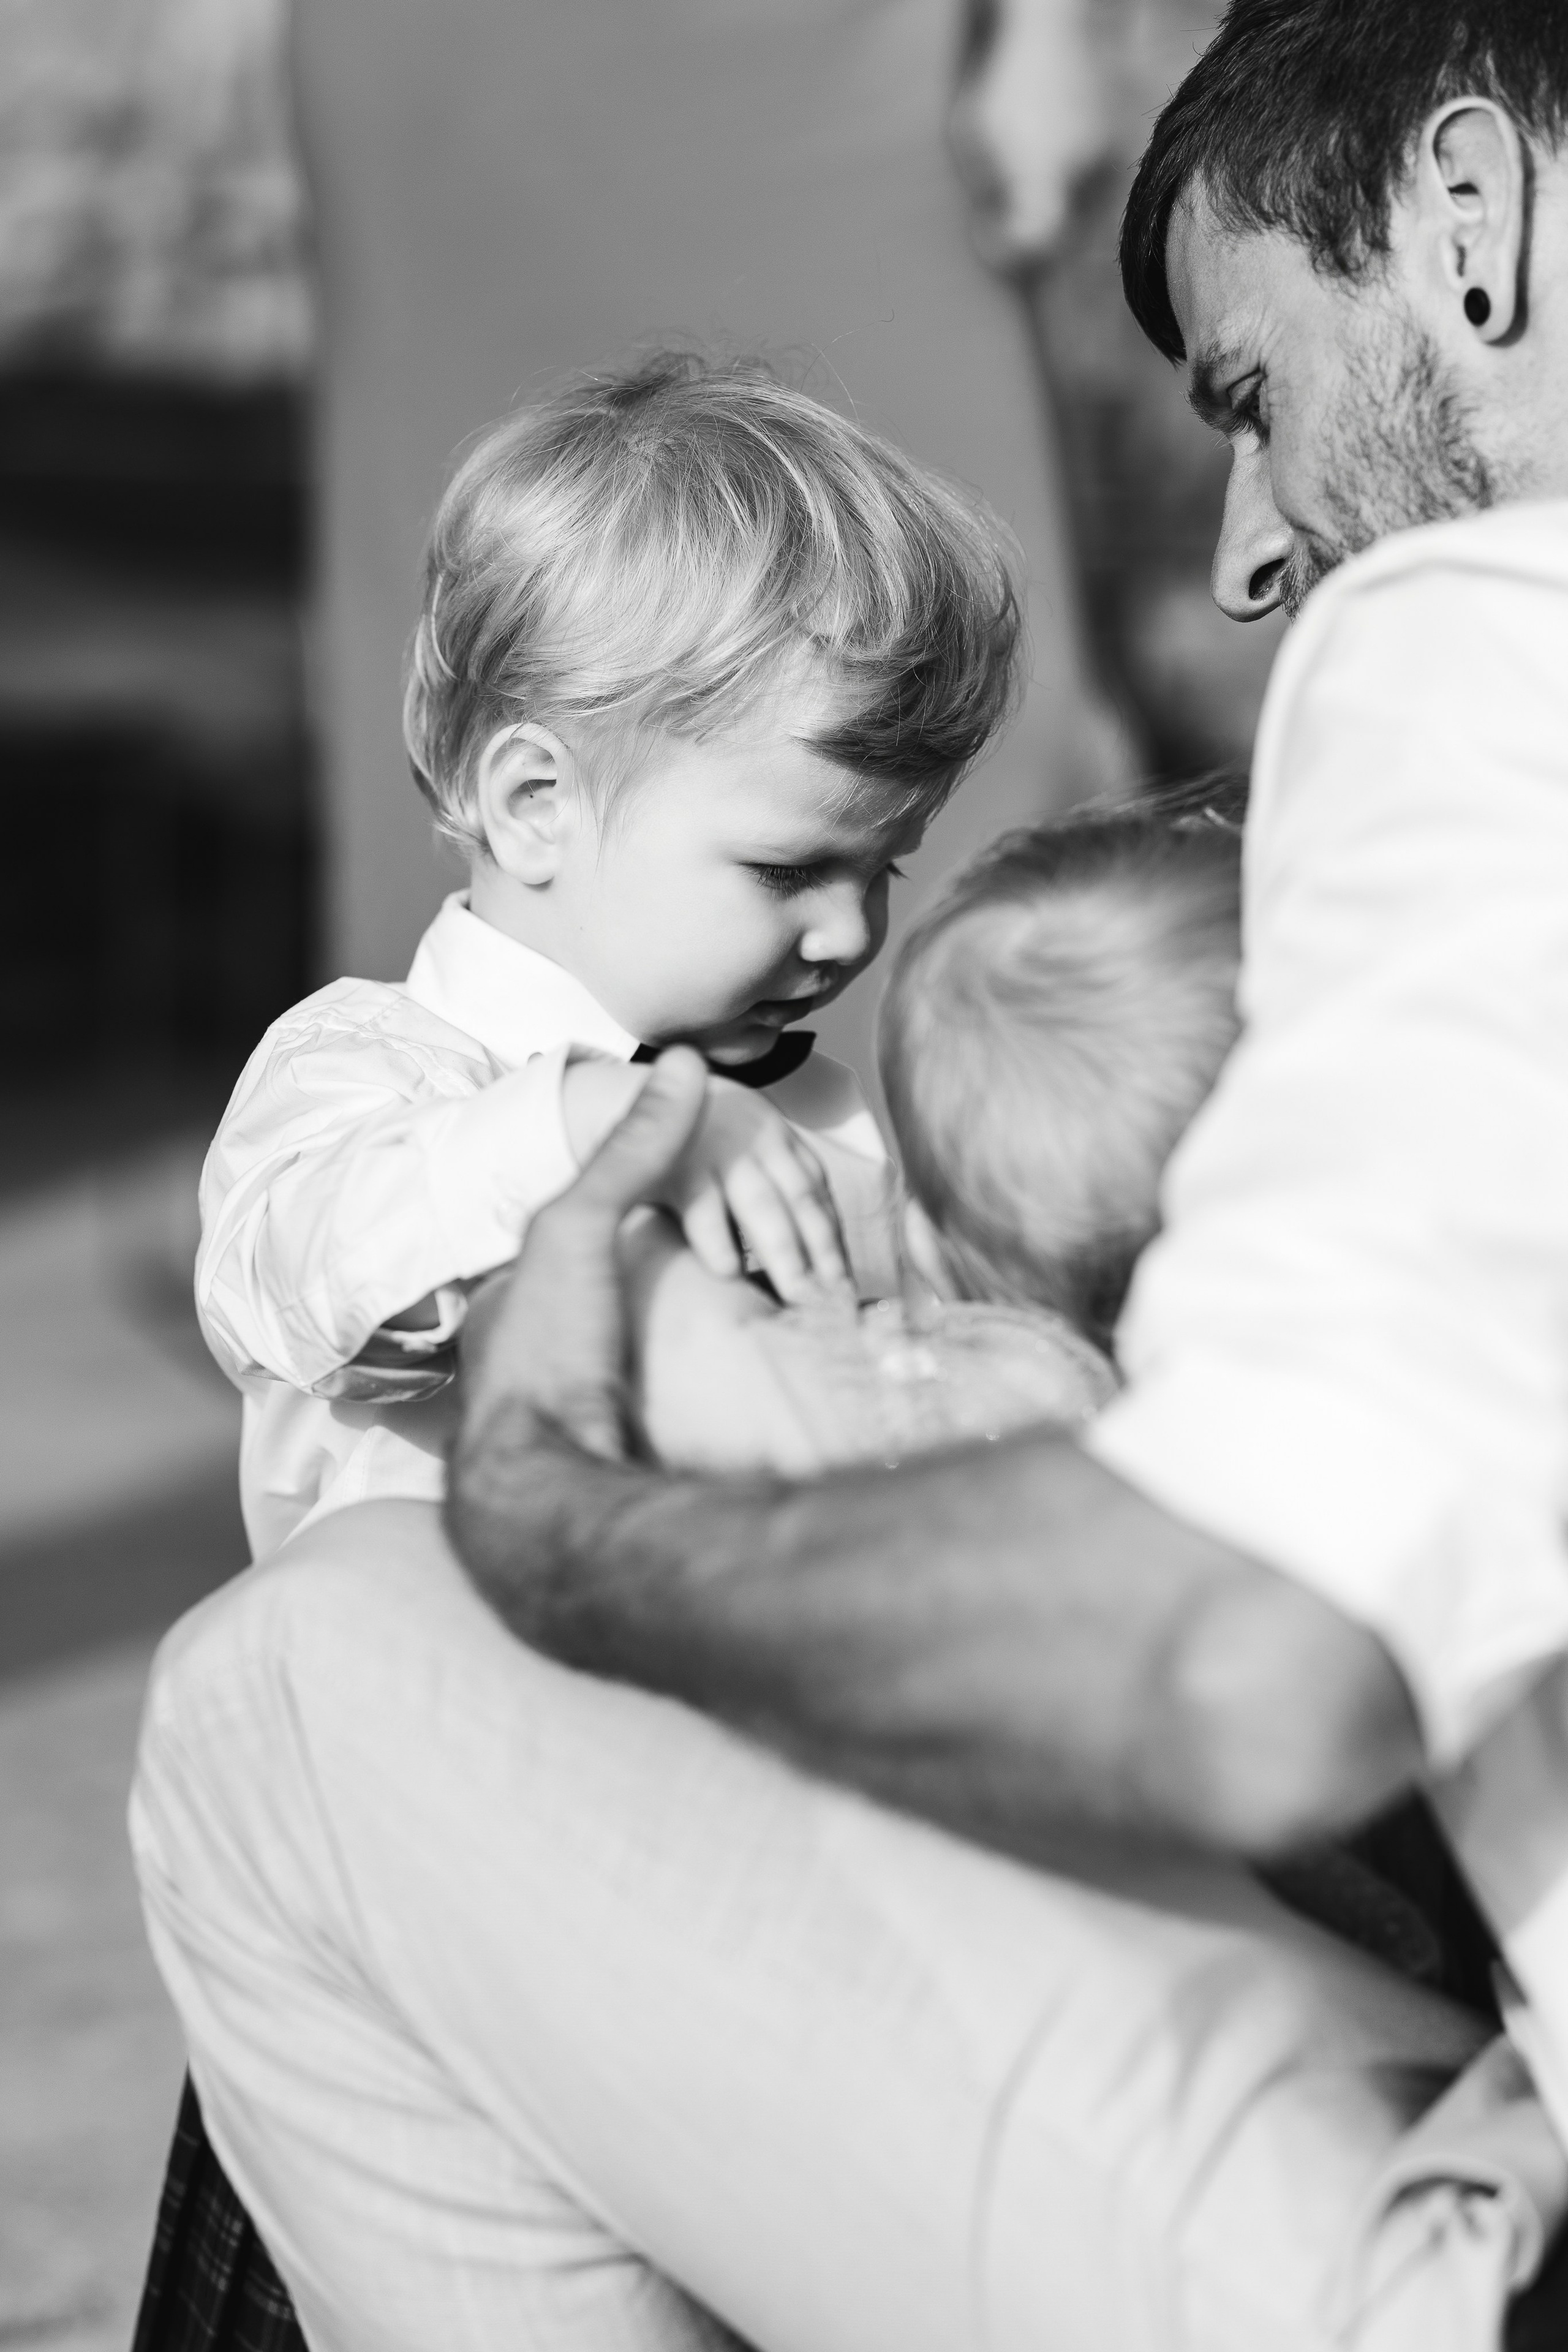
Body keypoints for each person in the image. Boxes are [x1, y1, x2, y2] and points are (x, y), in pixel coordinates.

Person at [130, 0, 1568, 2344]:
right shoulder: (408, 1081)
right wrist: (596, 1160)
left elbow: (1245, 1626)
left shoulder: (1479, 653)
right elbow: (298, 1259)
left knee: (281, 1736)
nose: (1245, 555)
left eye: (1250, 393)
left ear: (1482, 225)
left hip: (769, 1853)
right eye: (805, 859)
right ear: (526, 814)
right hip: (609, 1817)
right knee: (301, 1712)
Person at [194, 353, 1022, 1557]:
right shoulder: (372, 1074)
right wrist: (590, 1128)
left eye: (880, 869)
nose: (848, 934)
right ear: (535, 804)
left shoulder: (819, 1118)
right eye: (787, 872)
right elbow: (307, 1288)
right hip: (431, 1700)